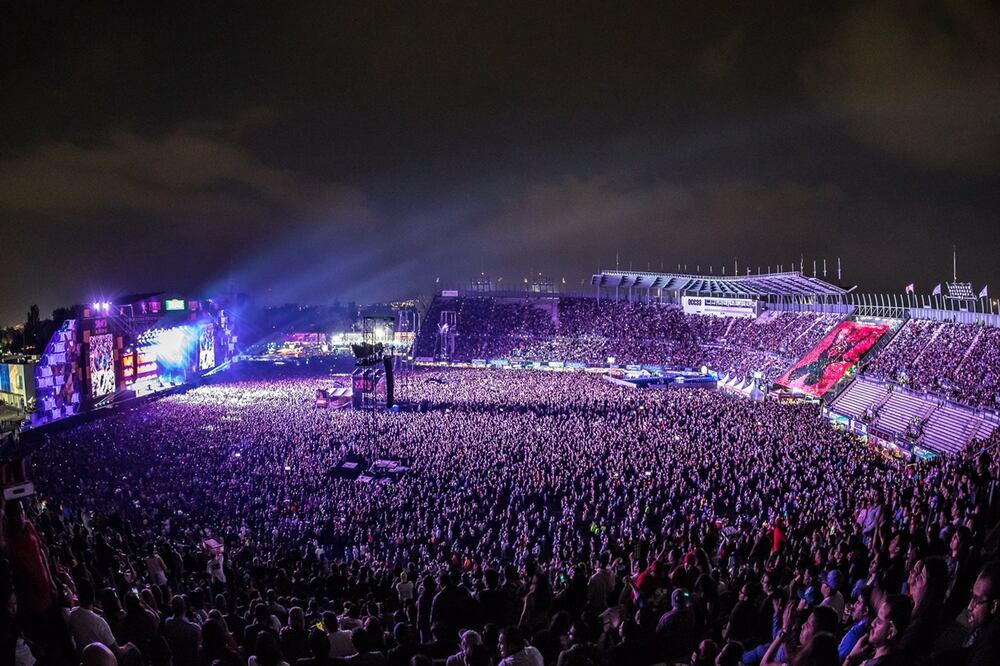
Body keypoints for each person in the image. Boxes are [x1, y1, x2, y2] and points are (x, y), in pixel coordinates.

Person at [843, 594, 912, 666]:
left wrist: (850, 657)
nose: (873, 623)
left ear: (891, 632)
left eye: (879, 621)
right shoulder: (872, 654)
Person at [67, 579, 121, 661]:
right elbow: (117, 652)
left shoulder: (72, 615)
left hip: (84, 660)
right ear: (93, 596)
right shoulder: (100, 623)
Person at [162, 594, 202, 666]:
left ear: (172, 608)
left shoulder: (168, 623)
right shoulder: (195, 628)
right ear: (185, 608)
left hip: (176, 661)